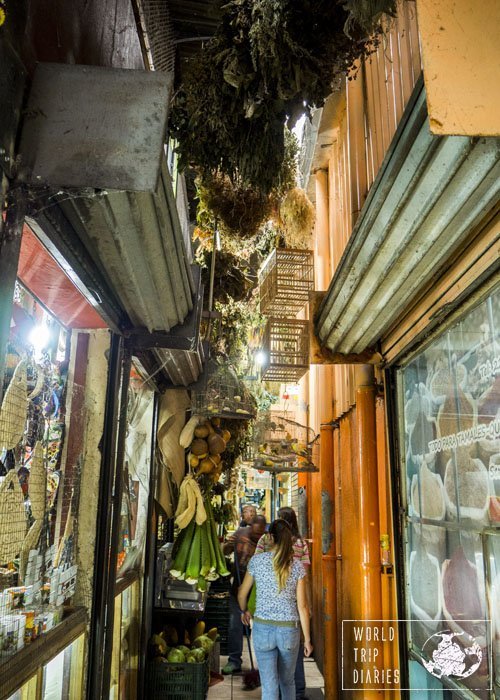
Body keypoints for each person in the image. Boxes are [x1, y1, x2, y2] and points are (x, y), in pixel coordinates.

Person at [238, 519, 313, 700]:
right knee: (287, 683)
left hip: (263, 630)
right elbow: (302, 607)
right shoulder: (296, 567)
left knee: (269, 686)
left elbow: (242, 594)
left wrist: (244, 612)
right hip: (289, 631)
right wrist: (308, 640)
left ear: (269, 537)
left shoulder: (257, 561)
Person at [221, 514, 267, 674]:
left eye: (260, 534)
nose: (257, 537)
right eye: (255, 533)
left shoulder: (268, 542)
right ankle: (234, 661)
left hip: (258, 592)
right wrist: (228, 545)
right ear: (250, 527)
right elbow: (225, 550)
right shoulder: (240, 533)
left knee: (260, 629)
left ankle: (263, 664)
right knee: (235, 625)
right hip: (238, 589)